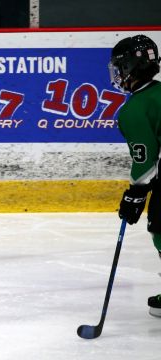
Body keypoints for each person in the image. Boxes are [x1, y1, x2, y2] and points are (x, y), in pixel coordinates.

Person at [109, 34, 161, 317]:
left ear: (130, 67)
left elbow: (146, 162)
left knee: (160, 228)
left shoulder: (133, 109)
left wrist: (135, 194)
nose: (117, 74)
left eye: (119, 67)